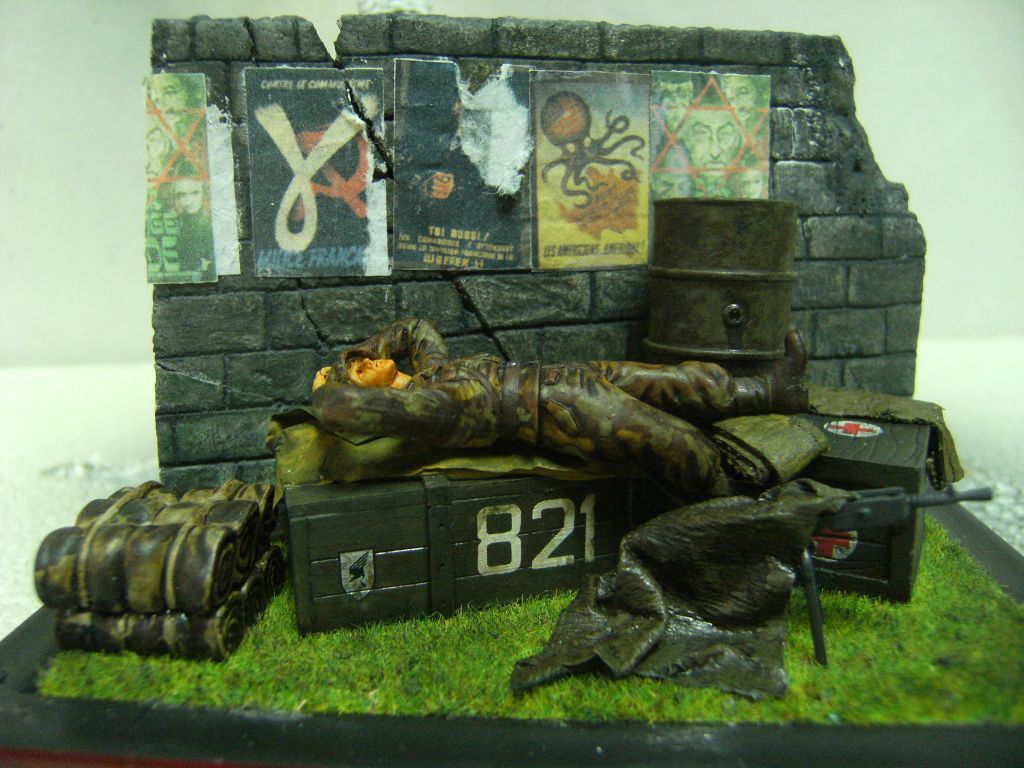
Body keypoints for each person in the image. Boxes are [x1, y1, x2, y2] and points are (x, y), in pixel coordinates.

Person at [311, 318, 808, 496]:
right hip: (561, 408)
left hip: (567, 376)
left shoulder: (430, 371)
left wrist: (352, 354)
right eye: (359, 370)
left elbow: (415, 328)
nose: (367, 361)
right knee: (674, 443)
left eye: (364, 359)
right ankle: (735, 491)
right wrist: (324, 393)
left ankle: (770, 391)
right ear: (368, 396)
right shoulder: (430, 409)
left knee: (674, 381)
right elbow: (341, 410)